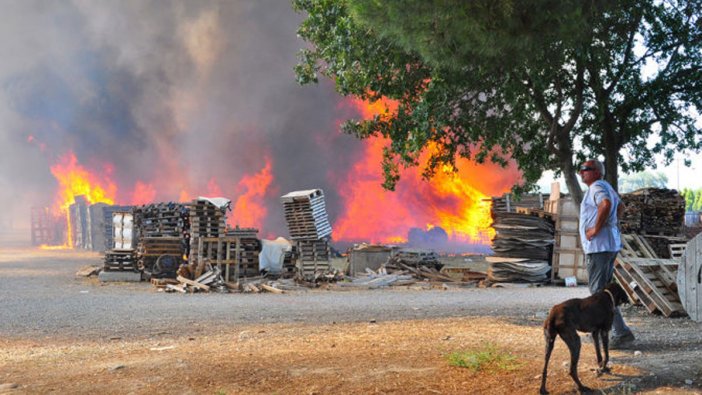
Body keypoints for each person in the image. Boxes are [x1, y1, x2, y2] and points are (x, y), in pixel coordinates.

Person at [578, 158, 635, 349]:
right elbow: (620, 206)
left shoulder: (597, 187)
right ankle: (615, 331)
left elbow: (606, 204)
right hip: (608, 244)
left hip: (600, 247)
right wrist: (611, 225)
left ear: (596, 171)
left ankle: (620, 332)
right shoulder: (606, 186)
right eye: (581, 169)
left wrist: (595, 229)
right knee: (605, 292)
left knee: (599, 293)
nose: (581, 172)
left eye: (585, 169)